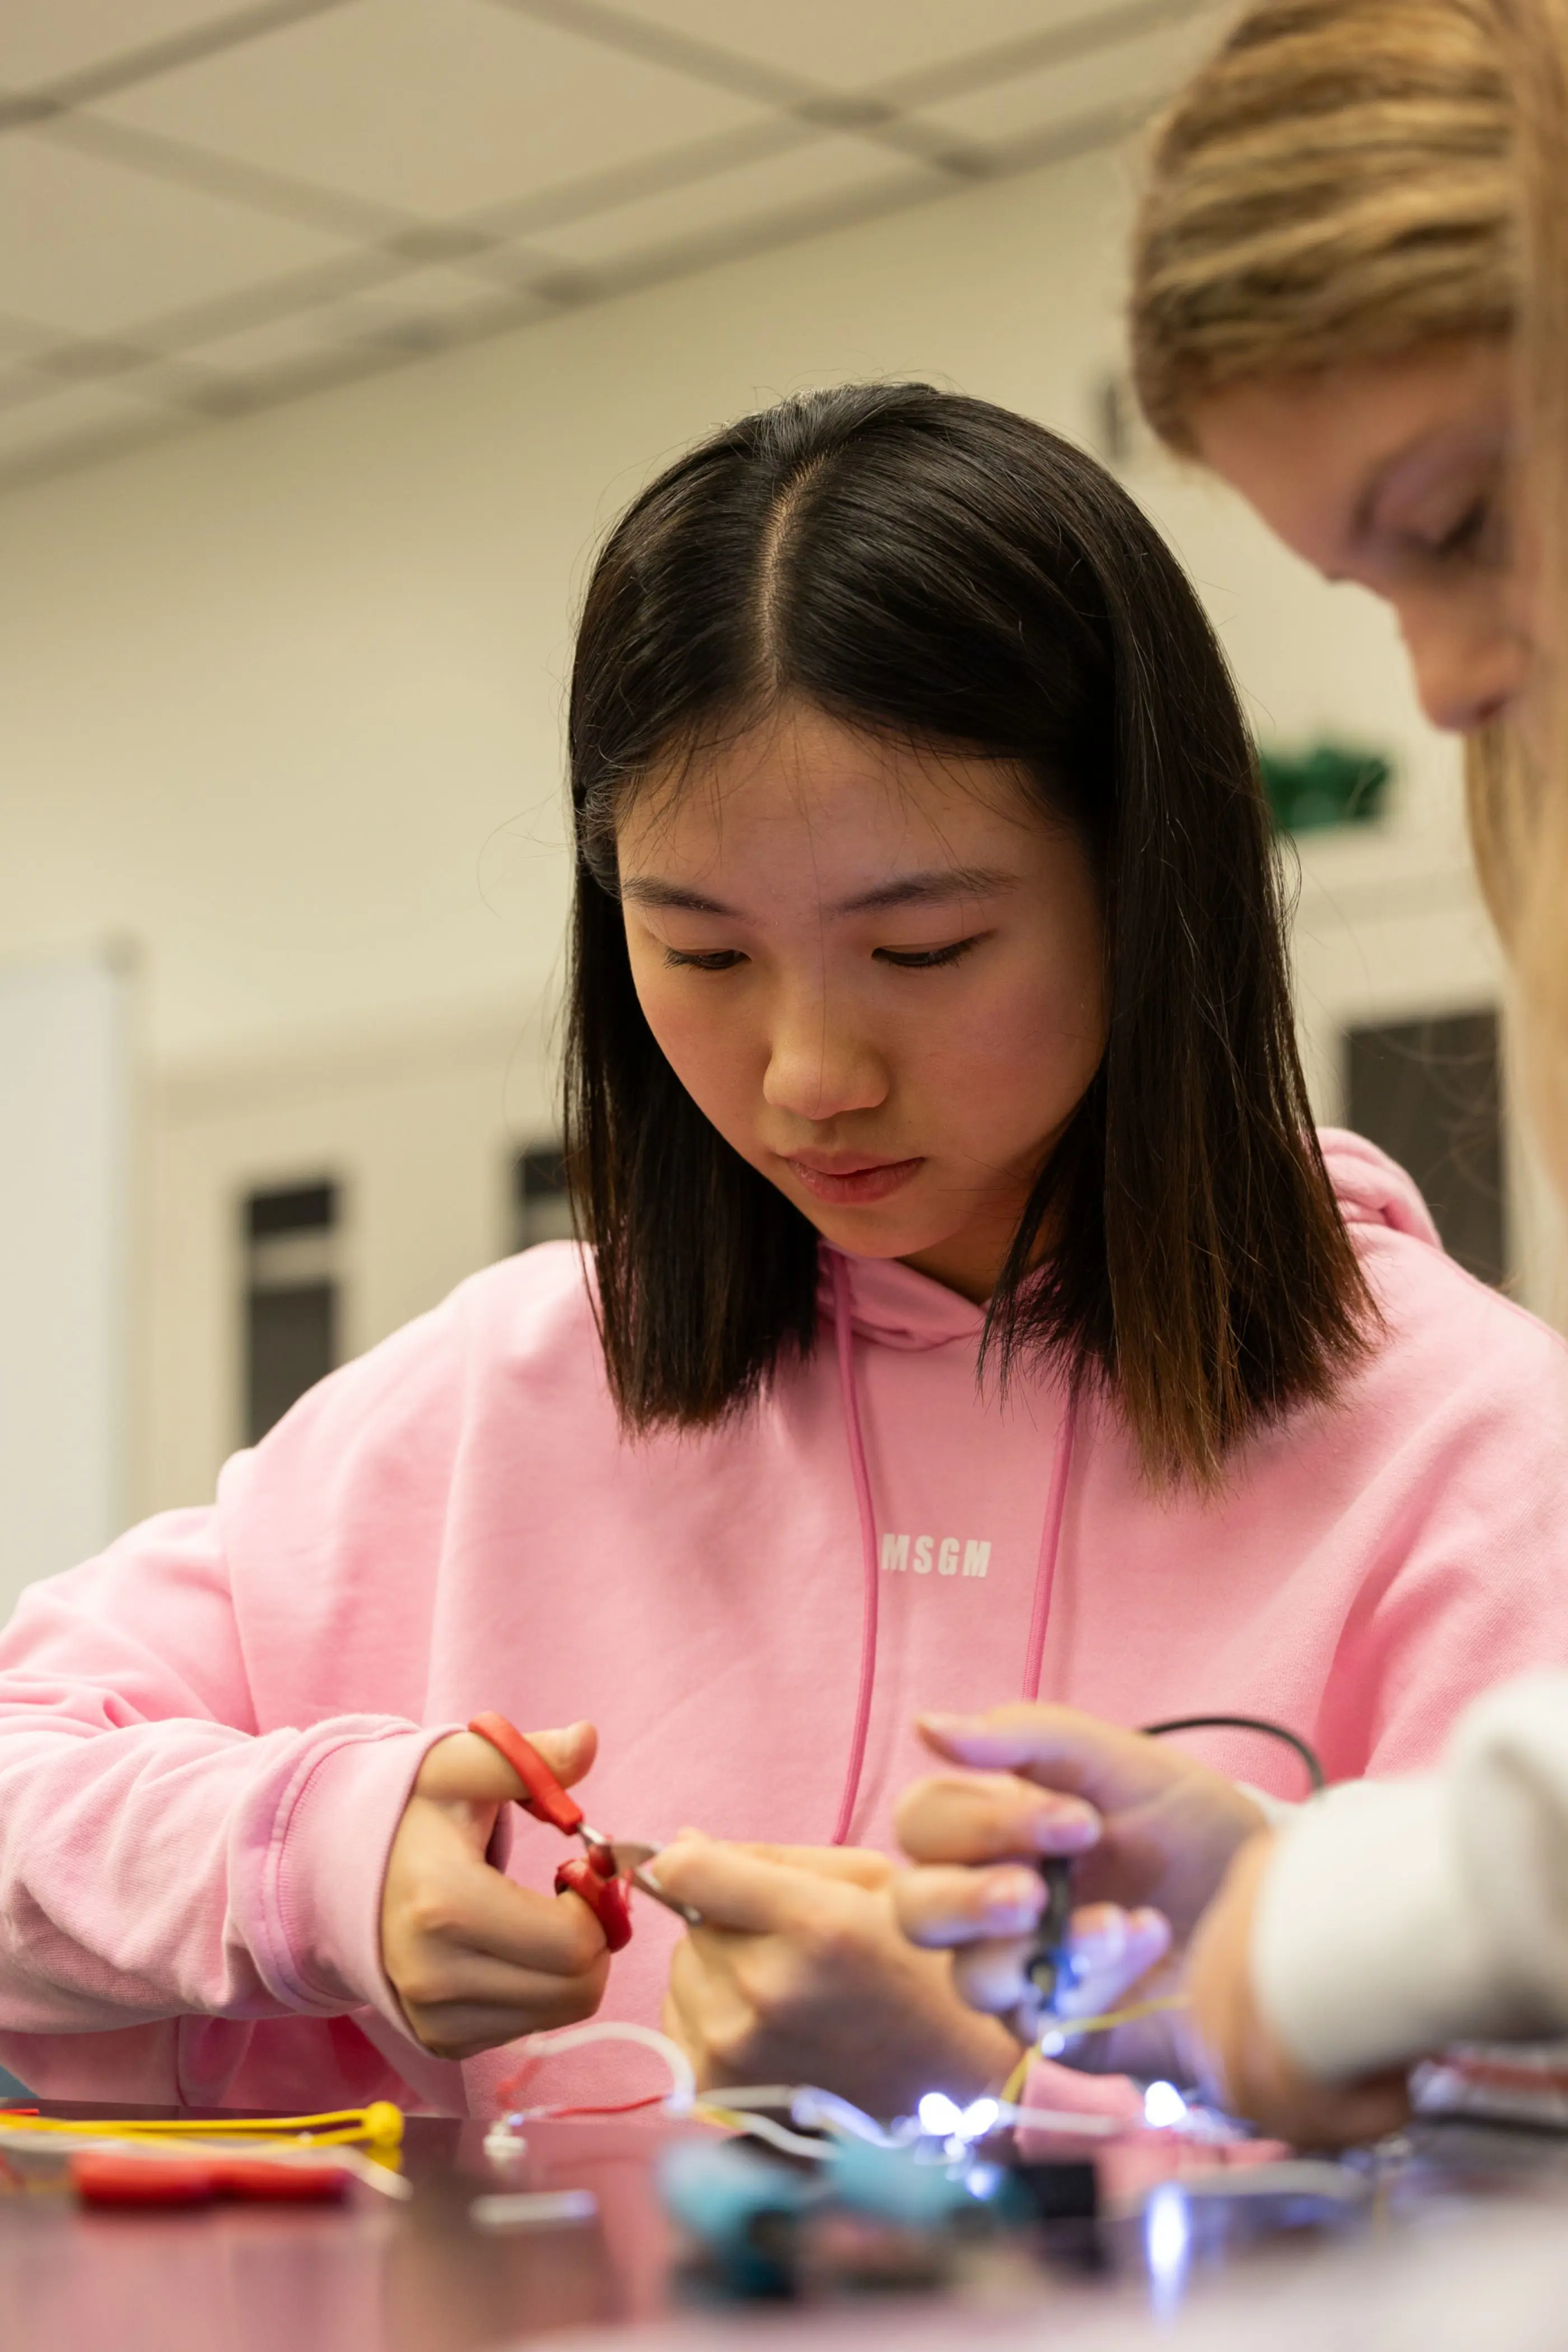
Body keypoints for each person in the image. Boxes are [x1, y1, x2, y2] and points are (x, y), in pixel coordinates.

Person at [4, 385, 1568, 2129]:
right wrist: (310, 1863)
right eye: (703, 953)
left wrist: (1009, 2105)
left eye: (924, 948)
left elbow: (1519, 2169)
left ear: (1148, 890)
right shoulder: (507, 1393)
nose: (811, 1075)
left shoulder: (1470, 1454)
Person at [892, 0, 1568, 2147]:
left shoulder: (1455, 1414)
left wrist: (1321, 1934)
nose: (1445, 682)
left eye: (1462, 517)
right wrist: (1295, 1893)